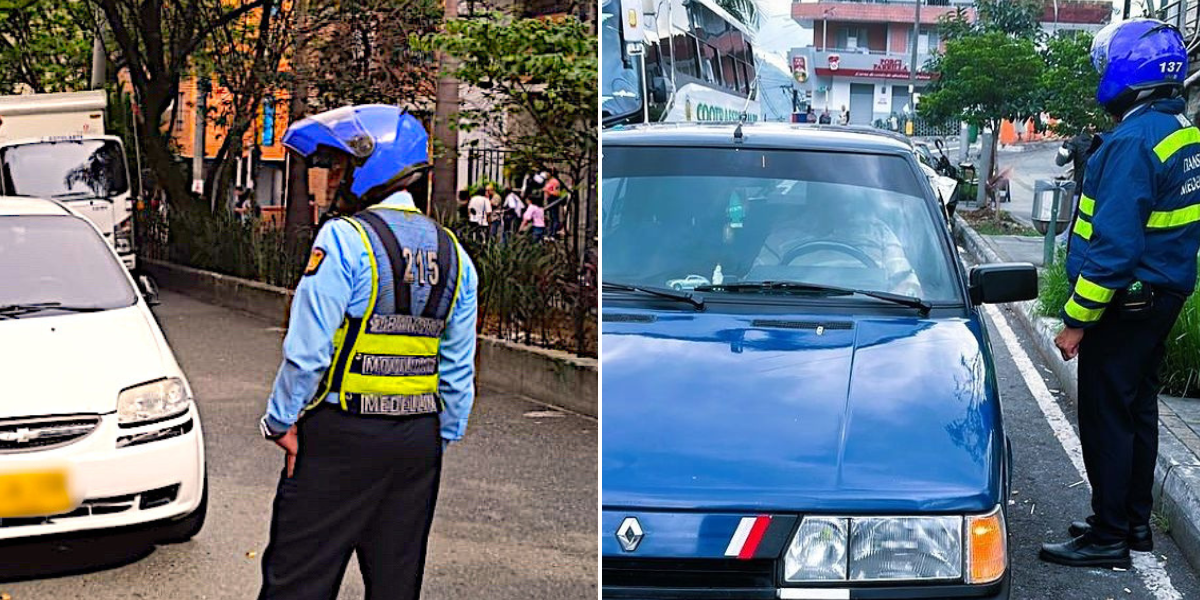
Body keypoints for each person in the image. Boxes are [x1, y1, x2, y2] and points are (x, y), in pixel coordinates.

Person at [257, 104, 479, 599]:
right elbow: (458, 370)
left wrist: (281, 420)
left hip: (341, 435)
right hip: (417, 441)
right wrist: (436, 440)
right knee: (396, 585)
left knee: (299, 581)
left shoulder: (344, 239)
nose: (335, 178)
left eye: (340, 166)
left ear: (371, 164)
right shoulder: (455, 255)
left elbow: (308, 351)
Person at [1039, 19, 1200, 569]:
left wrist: (1076, 319)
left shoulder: (1132, 141)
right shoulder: (1180, 130)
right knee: (1138, 411)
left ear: (1126, 72)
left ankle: (1107, 537)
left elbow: (1112, 247)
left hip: (1125, 302)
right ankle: (1132, 522)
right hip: (1162, 295)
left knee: (1107, 417)